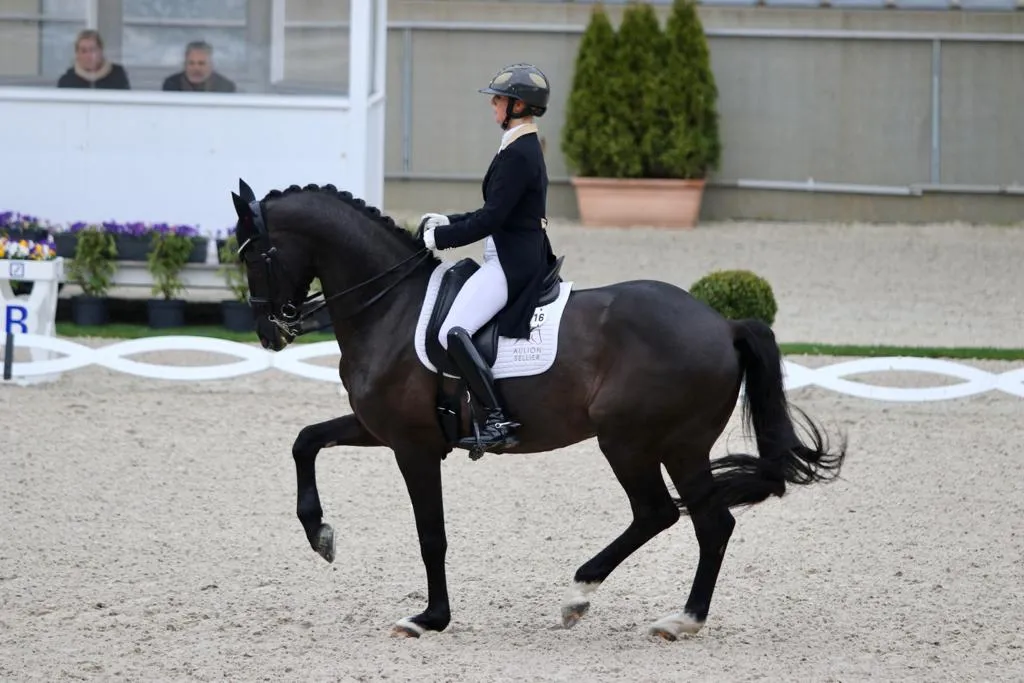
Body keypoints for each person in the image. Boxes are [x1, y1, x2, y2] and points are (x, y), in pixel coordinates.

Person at [420, 63, 558, 455]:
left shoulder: (520, 152)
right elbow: (497, 209)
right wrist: (449, 220)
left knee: (452, 331)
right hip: (510, 251)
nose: (493, 105)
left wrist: (441, 238)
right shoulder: (519, 145)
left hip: (511, 265)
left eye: (498, 98)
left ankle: (498, 418)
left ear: (517, 105)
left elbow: (493, 218)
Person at [57, 29, 130, 90]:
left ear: (101, 51)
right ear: (77, 54)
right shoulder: (67, 81)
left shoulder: (117, 76)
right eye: (84, 51)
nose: (89, 56)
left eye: (92, 50)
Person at [162, 41, 237, 93]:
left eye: (201, 63)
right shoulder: (172, 84)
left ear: (211, 65)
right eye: (191, 63)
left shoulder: (225, 86)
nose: (196, 68)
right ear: (185, 65)